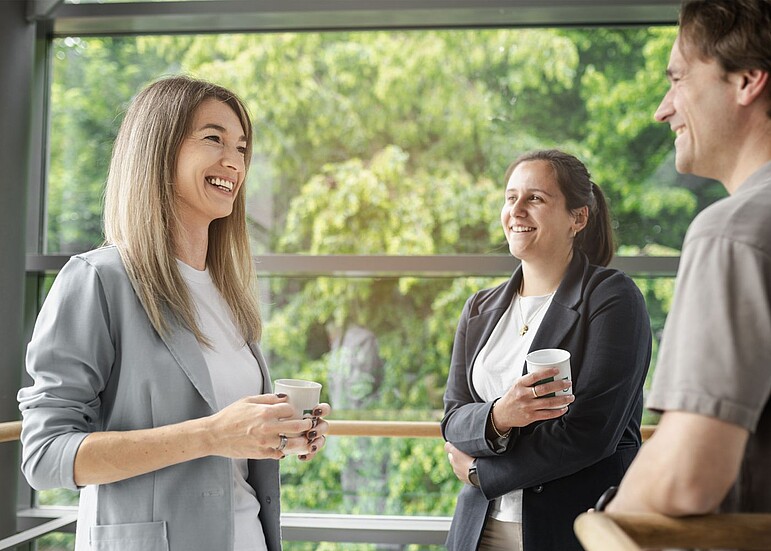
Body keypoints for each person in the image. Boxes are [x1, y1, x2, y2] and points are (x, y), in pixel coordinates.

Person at [17, 76, 331, 551]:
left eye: (242, 147)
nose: (235, 161)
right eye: (214, 139)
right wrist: (211, 435)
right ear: (158, 150)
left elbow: (229, 448)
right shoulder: (98, 280)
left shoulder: (228, 293)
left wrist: (276, 434)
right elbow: (45, 457)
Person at [602, 0, 771, 520]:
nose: (663, 108)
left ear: (747, 80)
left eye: (678, 78)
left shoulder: (734, 231)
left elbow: (686, 478)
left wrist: (603, 522)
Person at [442, 149, 652, 551]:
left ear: (578, 217)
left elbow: (591, 433)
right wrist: (500, 415)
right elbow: (453, 419)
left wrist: (481, 473)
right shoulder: (479, 308)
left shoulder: (611, 297)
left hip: (574, 528)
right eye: (510, 197)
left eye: (535, 198)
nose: (516, 210)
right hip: (477, 531)